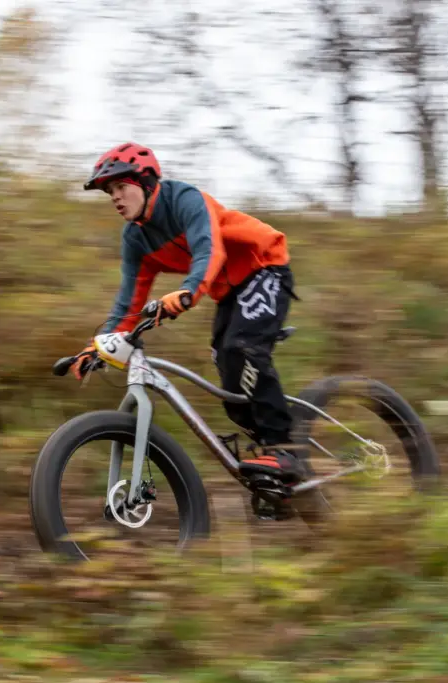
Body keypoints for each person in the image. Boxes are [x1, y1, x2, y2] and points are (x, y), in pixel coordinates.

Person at [70, 141, 304, 485]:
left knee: (243, 348)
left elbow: (209, 250)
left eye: (120, 186)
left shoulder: (184, 199)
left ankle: (285, 451)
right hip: (228, 293)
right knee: (231, 386)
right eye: (109, 192)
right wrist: (99, 345)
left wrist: (188, 291)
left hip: (264, 267)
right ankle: (274, 468)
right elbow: (128, 302)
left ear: (145, 182)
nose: (115, 197)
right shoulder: (135, 238)